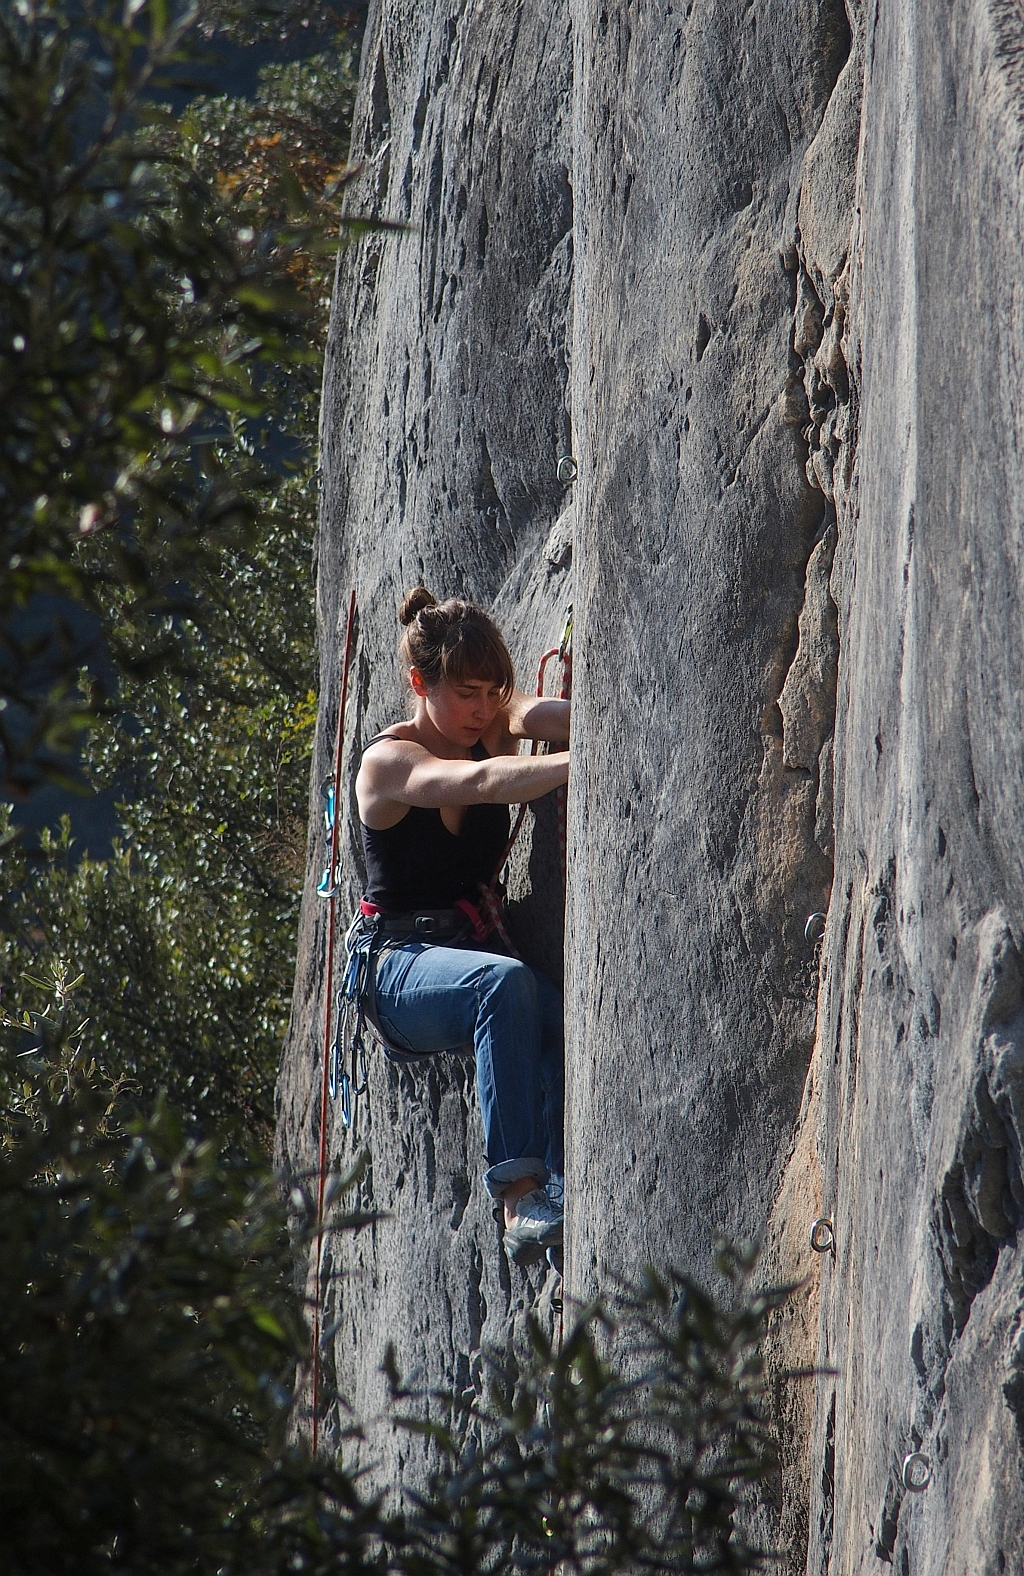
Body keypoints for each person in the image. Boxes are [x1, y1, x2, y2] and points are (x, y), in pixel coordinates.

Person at [355, 587, 570, 1266]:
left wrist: (596, 719)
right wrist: (585, 759)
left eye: (491, 692)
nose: (482, 709)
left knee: (561, 1022)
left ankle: (559, 1186)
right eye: (466, 692)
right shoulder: (387, 763)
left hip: (463, 952)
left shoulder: (489, 722)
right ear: (420, 684)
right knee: (503, 987)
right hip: (395, 969)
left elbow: (536, 716)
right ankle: (518, 1197)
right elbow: (479, 784)